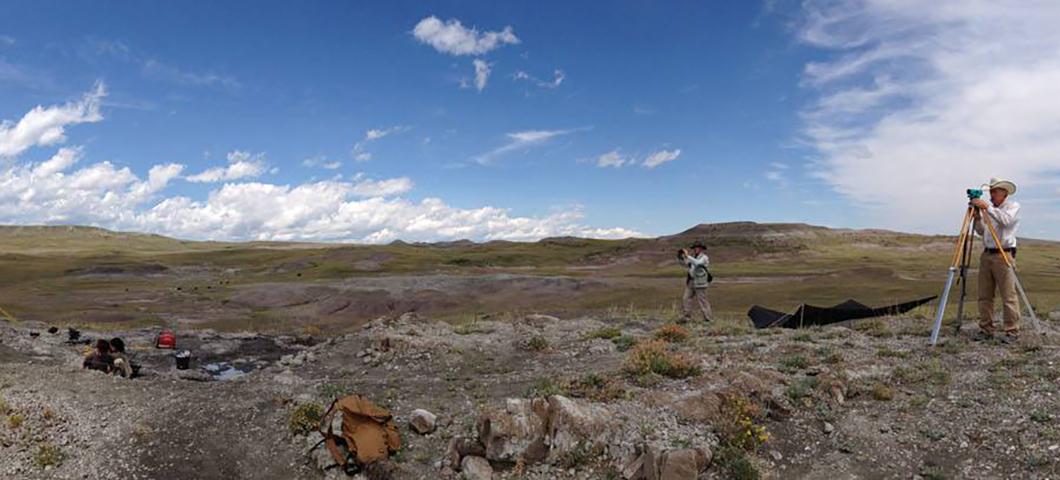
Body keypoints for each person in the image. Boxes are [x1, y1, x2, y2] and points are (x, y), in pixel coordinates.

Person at [971, 177, 1021, 343]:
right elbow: (982, 232)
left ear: (1004, 193)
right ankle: (986, 329)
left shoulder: (1012, 207)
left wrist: (987, 208)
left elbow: (1006, 221)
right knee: (985, 295)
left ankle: (1011, 331)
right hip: (987, 254)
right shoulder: (989, 210)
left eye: (994, 191)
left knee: (1008, 295)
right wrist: (978, 217)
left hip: (1003, 254)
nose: (991, 195)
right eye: (990, 192)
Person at [677, 240, 713, 323]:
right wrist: (680, 257)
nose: (696, 249)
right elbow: (685, 264)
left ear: (701, 249)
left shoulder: (704, 257)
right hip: (691, 282)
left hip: (700, 282)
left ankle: (708, 318)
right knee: (686, 298)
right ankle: (687, 316)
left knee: (702, 300)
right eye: (695, 248)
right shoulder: (693, 257)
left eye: (698, 248)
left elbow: (697, 263)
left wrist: (687, 256)